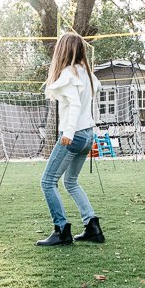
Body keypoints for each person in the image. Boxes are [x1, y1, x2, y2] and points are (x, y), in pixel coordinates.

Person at [36, 32, 104, 247]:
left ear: (62, 51)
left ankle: (62, 230)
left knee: (47, 182)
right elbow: (96, 88)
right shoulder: (86, 74)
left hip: (73, 135)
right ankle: (92, 226)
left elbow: (74, 104)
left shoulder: (68, 74)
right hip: (87, 134)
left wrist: (68, 132)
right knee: (71, 182)